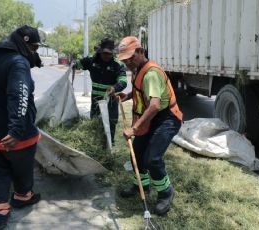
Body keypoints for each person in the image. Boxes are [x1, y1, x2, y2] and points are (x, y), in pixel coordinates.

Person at [0, 25, 43, 228]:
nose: (36, 53)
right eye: (35, 48)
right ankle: (22, 196)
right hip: (12, 136)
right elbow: (18, 96)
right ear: (26, 43)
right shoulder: (17, 62)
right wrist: (16, 130)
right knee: (22, 167)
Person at [115, 36, 183, 215]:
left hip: (166, 118)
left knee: (152, 159)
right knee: (136, 154)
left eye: (131, 57)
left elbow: (154, 105)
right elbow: (140, 91)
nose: (128, 62)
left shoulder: (151, 73)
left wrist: (135, 129)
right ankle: (141, 187)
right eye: (125, 59)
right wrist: (127, 96)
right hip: (152, 117)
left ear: (141, 51)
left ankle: (166, 192)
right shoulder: (138, 69)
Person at [73, 38, 127, 144]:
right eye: (105, 53)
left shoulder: (117, 65)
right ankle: (95, 147)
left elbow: (123, 81)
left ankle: (109, 148)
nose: (107, 56)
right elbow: (78, 65)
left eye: (110, 54)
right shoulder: (91, 61)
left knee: (109, 127)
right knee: (95, 126)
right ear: (100, 52)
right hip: (96, 102)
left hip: (110, 102)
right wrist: (74, 65)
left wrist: (115, 88)